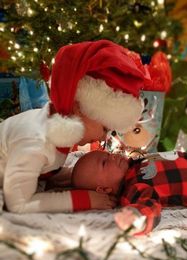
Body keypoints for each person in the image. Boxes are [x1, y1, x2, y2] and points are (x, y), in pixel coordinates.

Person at [0, 39, 171, 214]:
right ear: (79, 109)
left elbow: (43, 166)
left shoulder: (57, 127)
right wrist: (86, 200)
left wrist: (69, 177)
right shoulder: (35, 142)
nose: (103, 138)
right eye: (105, 128)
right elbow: (19, 204)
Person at [71, 149, 187, 235]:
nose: (113, 156)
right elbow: (148, 207)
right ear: (103, 189)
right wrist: (135, 219)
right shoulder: (133, 188)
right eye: (105, 162)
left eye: (108, 154)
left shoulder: (134, 164)